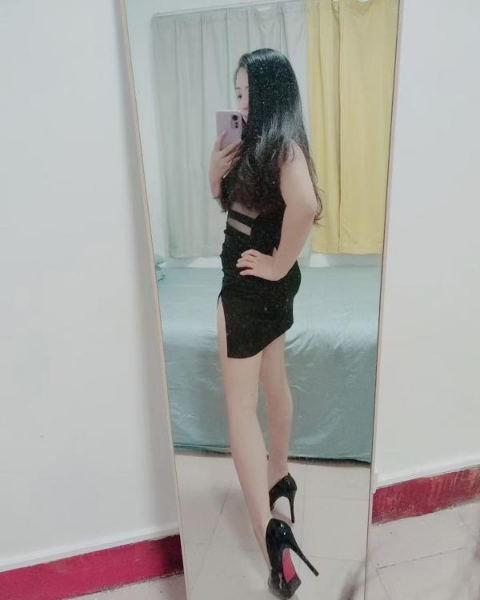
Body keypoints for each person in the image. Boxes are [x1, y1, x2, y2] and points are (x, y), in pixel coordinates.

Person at [208, 48, 323, 598]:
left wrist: (277, 263)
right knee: (274, 377)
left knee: (239, 406)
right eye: (237, 95)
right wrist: (215, 171)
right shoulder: (257, 142)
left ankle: (270, 535)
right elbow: (228, 203)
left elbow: (306, 205)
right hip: (269, 283)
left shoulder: (282, 146)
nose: (241, 105)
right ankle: (281, 477)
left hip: (249, 282)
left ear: (273, 94)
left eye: (249, 94)